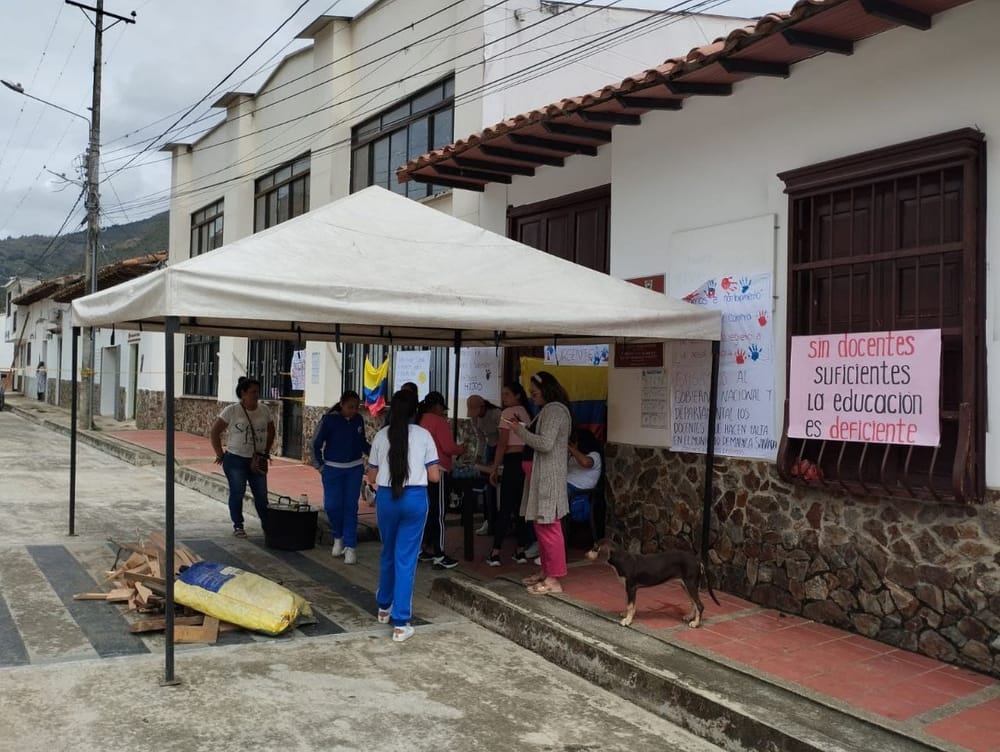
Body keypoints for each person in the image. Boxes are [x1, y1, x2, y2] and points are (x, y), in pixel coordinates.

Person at [366, 388, 439, 643]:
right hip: (415, 500)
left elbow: (372, 476)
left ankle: (383, 607)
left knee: (388, 551)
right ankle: (401, 622)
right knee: (406, 559)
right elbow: (434, 476)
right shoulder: (424, 435)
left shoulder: (381, 436)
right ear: (415, 412)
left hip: (387, 498)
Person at [505, 371, 572, 595]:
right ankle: (546, 571)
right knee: (541, 526)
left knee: (548, 526)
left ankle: (554, 578)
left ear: (547, 390)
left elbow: (545, 443)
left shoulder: (554, 410)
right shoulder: (548, 410)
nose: (532, 397)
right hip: (540, 477)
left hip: (548, 477)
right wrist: (523, 426)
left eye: (535, 393)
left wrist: (519, 431)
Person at [210, 377, 275, 538]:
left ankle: (268, 525)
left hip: (257, 459)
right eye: (252, 392)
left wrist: (266, 451)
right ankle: (238, 525)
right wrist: (220, 453)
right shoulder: (232, 410)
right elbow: (215, 432)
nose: (256, 395)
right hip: (236, 459)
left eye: (257, 392)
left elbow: (271, 430)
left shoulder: (264, 410)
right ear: (243, 393)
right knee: (237, 492)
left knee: (261, 495)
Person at [313, 390, 370, 564]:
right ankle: (338, 536)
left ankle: (351, 546)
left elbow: (362, 442)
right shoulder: (329, 420)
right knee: (332, 506)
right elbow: (315, 443)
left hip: (354, 468)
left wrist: (376, 454)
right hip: (332, 469)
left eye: (357, 407)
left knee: (350, 507)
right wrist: (320, 466)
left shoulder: (358, 420)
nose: (353, 411)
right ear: (342, 404)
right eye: (350, 407)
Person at [485, 381, 533, 566]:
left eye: (507, 394)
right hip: (526, 462)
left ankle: (495, 552)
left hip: (512, 461)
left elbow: (502, 443)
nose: (503, 398)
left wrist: (495, 467)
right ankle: (520, 550)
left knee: (505, 507)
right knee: (521, 506)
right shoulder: (527, 414)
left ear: (517, 395)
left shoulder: (507, 414)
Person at [416, 390, 464, 569]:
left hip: (420, 471)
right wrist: (461, 449)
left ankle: (423, 548)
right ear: (437, 407)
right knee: (439, 513)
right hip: (439, 469)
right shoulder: (439, 422)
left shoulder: (418, 420)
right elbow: (448, 447)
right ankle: (439, 553)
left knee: (426, 511)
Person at [467, 394, 502, 536]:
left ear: (483, 406)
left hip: (501, 447)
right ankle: (489, 520)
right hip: (489, 447)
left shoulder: (496, 414)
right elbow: (480, 439)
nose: (476, 415)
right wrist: (478, 457)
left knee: (498, 485)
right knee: (488, 485)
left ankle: (500, 520)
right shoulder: (474, 419)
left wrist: (497, 460)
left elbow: (503, 438)